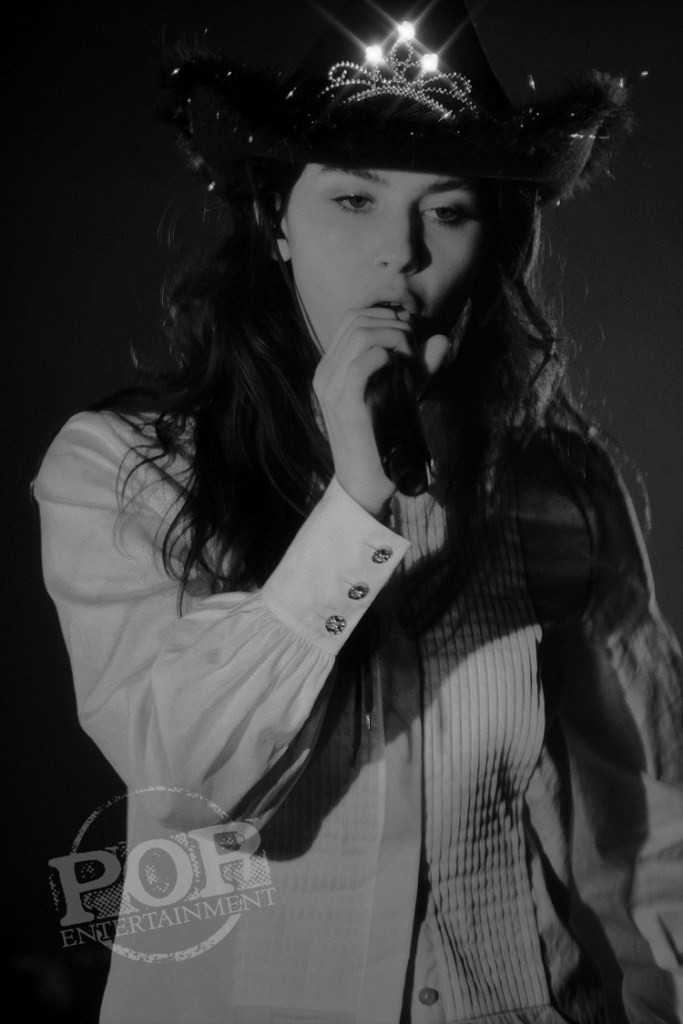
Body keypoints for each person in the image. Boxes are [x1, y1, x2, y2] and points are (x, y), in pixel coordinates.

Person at [34, 1, 683, 1022]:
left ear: (495, 243)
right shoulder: (121, 469)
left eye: (448, 210)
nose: (400, 252)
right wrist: (353, 498)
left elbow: (646, 826)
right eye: (351, 200)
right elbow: (189, 784)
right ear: (275, 223)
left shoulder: (556, 482)